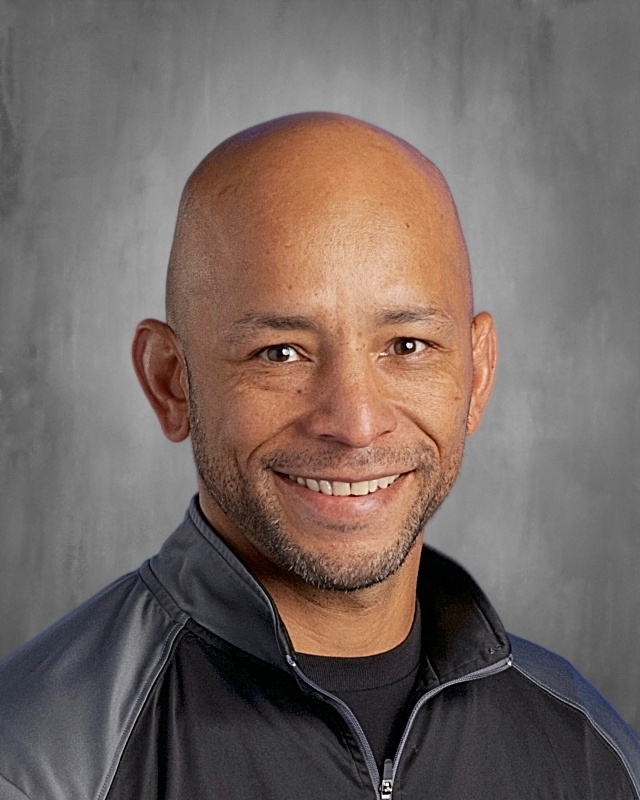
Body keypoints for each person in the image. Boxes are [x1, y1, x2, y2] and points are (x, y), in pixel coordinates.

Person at [0, 112, 638, 800]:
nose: (356, 424)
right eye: (280, 354)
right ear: (171, 382)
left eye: (408, 346)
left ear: (477, 376)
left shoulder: (587, 749)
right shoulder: (39, 763)